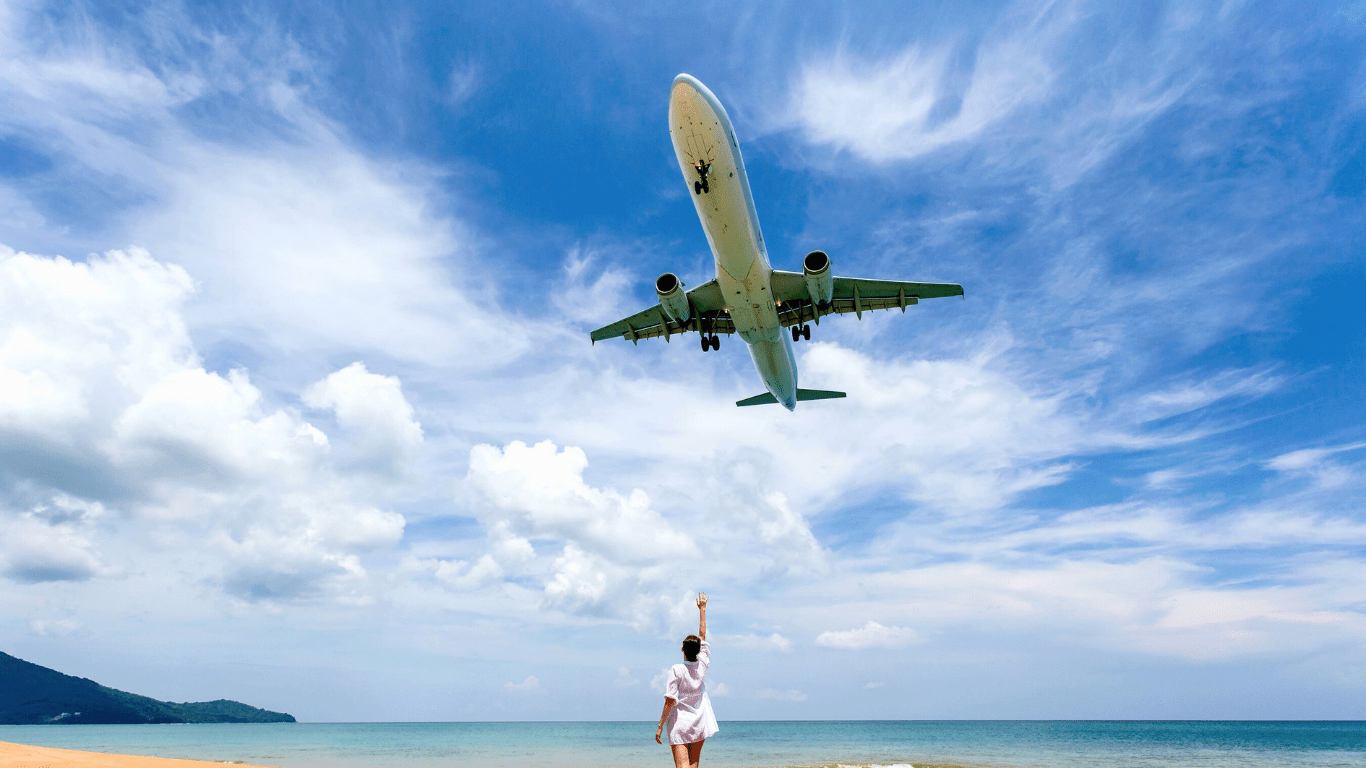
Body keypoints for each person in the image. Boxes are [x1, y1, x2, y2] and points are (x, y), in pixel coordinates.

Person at [655, 592, 719, 768]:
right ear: (699, 650)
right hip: (699, 721)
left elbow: (670, 701)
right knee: (693, 765)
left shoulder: (677, 669)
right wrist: (703, 609)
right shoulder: (702, 664)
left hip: (680, 724)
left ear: (682, 649)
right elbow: (703, 634)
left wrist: (660, 726)